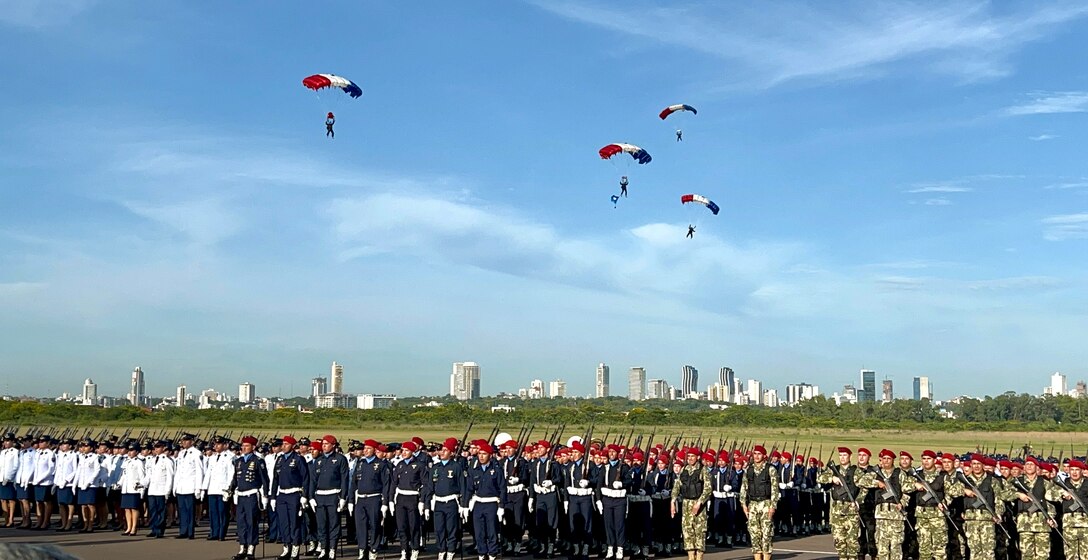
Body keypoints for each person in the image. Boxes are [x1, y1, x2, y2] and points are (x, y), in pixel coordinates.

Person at [309, 435, 349, 560]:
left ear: (333, 445)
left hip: (333, 495)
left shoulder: (340, 459)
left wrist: (343, 497)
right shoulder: (319, 460)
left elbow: (344, 479)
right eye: (323, 444)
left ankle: (332, 549)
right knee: (321, 525)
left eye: (327, 444)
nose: (324, 446)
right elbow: (313, 480)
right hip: (320, 496)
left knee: (333, 525)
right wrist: (310, 496)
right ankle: (323, 548)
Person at [271, 435, 311, 560]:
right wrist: (272, 497)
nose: (283, 446)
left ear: (293, 446)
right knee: (283, 523)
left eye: (286, 444)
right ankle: (286, 547)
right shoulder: (280, 459)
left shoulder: (298, 459)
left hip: (294, 494)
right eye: (283, 444)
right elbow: (275, 479)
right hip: (282, 494)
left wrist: (304, 495)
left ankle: (295, 548)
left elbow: (305, 478)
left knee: (294, 523)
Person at [230, 435, 270, 560]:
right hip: (241, 495)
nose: (244, 448)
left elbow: (265, 480)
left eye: (247, 446)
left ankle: (251, 548)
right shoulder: (238, 461)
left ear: (253, 447)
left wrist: (265, 495)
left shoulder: (258, 461)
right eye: (243, 446)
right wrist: (230, 490)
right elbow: (235, 479)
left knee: (251, 522)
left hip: (252, 495)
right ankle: (242, 547)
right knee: (241, 523)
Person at [423, 439, 462, 560]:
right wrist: (426, 506)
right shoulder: (435, 467)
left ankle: (451, 549)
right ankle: (441, 549)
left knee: (451, 528)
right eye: (441, 450)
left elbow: (462, 486)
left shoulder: (456, 467)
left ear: (451, 453)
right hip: (438, 502)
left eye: (445, 450)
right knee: (439, 528)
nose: (442, 453)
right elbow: (430, 487)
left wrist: (463, 504)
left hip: (451, 501)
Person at [467, 442, 506, 560]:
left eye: (484, 454)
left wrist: (501, 506)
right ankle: (481, 553)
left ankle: (492, 553)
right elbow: (469, 488)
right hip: (478, 503)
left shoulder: (496, 470)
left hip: (491, 503)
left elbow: (502, 489)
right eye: (479, 454)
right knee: (479, 531)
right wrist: (464, 504)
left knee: (491, 531)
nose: (481, 456)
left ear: (490, 455)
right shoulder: (474, 470)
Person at [672, 448, 712, 560]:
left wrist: (699, 502)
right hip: (686, 504)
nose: (690, 458)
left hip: (698, 505)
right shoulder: (684, 469)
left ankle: (699, 558)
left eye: (692, 456)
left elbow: (708, 489)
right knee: (687, 532)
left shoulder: (703, 470)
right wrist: (673, 500)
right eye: (688, 456)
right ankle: (690, 557)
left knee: (699, 532)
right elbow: (677, 486)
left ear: (698, 457)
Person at [118, 441, 146, 536]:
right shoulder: (126, 461)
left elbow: (142, 476)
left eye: (132, 450)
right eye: (129, 450)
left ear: (137, 452)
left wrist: (142, 489)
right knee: (127, 509)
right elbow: (124, 475)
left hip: (134, 488)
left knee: (134, 509)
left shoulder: (139, 462)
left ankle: (134, 527)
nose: (129, 452)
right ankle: (128, 527)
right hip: (126, 488)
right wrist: (119, 484)